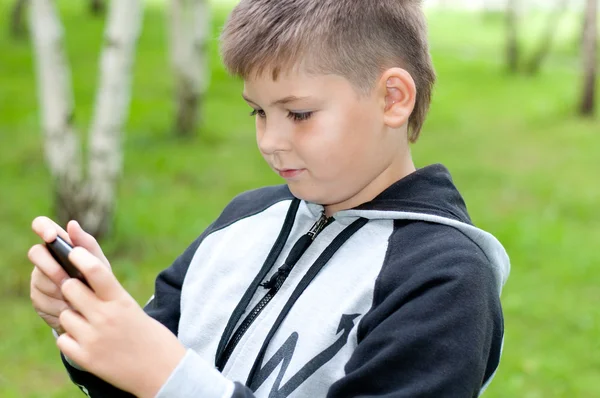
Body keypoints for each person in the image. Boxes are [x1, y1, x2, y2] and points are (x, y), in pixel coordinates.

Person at [28, 0, 510, 397]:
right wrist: (88, 325)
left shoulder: (445, 281)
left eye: (298, 114)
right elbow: (142, 375)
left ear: (392, 98)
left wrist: (169, 377)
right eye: (258, 112)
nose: (270, 141)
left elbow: (164, 377)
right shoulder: (245, 218)